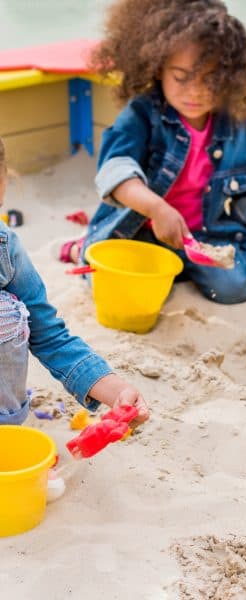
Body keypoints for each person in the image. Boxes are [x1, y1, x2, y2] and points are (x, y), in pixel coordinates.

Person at [62, 0, 246, 304]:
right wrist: (157, 209)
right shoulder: (143, 115)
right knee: (117, 288)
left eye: (209, 79)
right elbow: (115, 173)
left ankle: (181, 267)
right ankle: (82, 247)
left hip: (201, 236)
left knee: (238, 286)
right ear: (158, 68)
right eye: (181, 77)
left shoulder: (242, 129)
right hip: (138, 232)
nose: (195, 91)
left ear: (230, 77)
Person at [0, 137, 149, 426]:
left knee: (7, 315)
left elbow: (48, 334)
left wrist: (116, 390)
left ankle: (6, 430)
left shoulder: (4, 247)